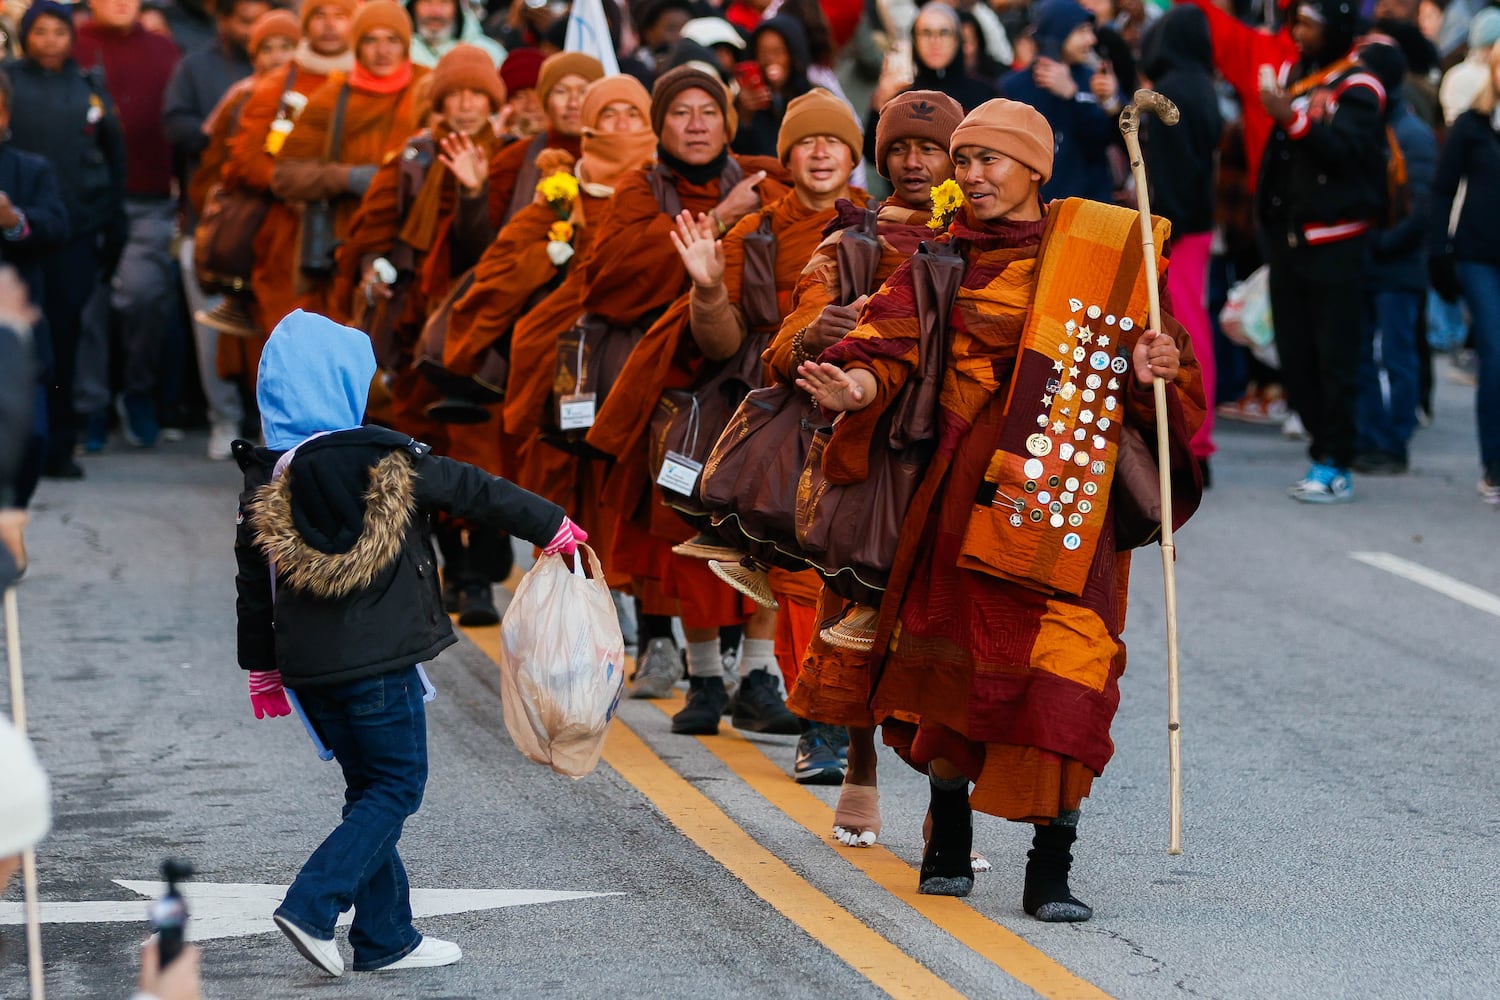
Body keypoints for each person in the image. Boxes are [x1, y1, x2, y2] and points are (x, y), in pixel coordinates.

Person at [795, 98, 1203, 916]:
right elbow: (886, 345)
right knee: (957, 677)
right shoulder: (939, 259)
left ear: (1036, 170)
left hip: (1068, 506)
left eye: (989, 160)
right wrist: (856, 387)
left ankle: (1052, 867)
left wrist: (1156, 367)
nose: (971, 175)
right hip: (958, 505)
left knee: (1068, 671)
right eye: (964, 161)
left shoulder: (1103, 252)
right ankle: (947, 830)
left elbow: (1161, 372)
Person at [234, 309, 587, 976]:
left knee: (368, 789)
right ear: (343, 386)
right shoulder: (385, 458)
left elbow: (256, 583)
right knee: (397, 785)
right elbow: (474, 490)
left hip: (311, 674)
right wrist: (551, 525)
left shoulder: (266, 478)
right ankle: (312, 905)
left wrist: (261, 667)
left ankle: (386, 936)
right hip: (378, 665)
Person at [573, 65, 788, 716]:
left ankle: (758, 675)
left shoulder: (763, 181)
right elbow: (612, 278)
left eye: (709, 112)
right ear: (660, 125)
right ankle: (703, 678)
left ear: (728, 122)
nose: (696, 126)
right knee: (683, 526)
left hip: (752, 374)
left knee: (767, 522)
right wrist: (719, 219)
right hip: (674, 383)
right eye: (680, 113)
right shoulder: (640, 189)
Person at [774, 87, 963, 809]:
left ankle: (946, 805)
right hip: (869, 451)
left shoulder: (986, 239)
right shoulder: (851, 240)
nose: (914, 163)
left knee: (947, 621)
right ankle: (857, 764)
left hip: (955, 447)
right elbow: (783, 348)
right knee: (852, 605)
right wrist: (816, 335)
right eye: (900, 150)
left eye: (931, 149)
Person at [669, 88, 869, 737]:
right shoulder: (755, 229)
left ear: (854, 156)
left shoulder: (878, 227)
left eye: (833, 141)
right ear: (787, 157)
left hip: (841, 400)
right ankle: (709, 676)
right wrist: (707, 288)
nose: (820, 152)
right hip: (753, 396)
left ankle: (768, 680)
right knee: (723, 533)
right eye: (806, 142)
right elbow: (720, 341)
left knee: (803, 552)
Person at [337, 43, 511, 624]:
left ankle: (478, 574)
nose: (466, 105)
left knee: (480, 449)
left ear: (492, 101)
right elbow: (371, 233)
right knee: (419, 446)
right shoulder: (411, 159)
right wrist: (371, 270)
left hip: (482, 330)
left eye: (477, 94)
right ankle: (449, 568)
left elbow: (502, 241)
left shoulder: (511, 158)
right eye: (455, 94)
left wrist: (473, 192)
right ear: (438, 101)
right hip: (416, 328)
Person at [1257, 0, 1389, 503]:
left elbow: (1347, 152)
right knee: (1295, 359)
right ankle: (1322, 450)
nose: (1298, 32)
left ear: (1335, 27)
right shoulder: (1296, 75)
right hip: (1289, 242)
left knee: (1336, 359)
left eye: (1309, 24)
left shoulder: (1360, 86)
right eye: (1296, 22)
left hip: (1337, 244)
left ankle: (1335, 461)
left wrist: (1291, 120)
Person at [4, 0, 127, 477]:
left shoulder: (88, 86)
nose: (50, 40)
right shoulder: (8, 82)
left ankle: (59, 443)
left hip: (72, 233)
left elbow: (112, 157)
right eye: (40, 31)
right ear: (25, 35)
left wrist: (112, 222)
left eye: (59, 31)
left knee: (64, 338)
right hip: (15, 233)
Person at [221, 0, 355, 386]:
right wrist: (295, 184)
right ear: (306, 24)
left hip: (352, 230)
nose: (329, 26)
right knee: (288, 344)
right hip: (286, 234)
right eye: (320, 16)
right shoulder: (275, 86)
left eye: (340, 16)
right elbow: (246, 161)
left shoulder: (374, 83)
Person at [165, 0, 276, 460]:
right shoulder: (197, 67)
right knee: (214, 328)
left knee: (275, 333)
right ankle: (223, 418)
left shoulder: (302, 86)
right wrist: (231, 129)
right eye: (248, 24)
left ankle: (276, 425)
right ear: (225, 22)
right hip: (216, 223)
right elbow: (176, 125)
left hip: (276, 231)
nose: (262, 42)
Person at [272, 0, 429, 320]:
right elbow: (285, 176)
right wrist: (347, 177)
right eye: (371, 40)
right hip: (344, 250)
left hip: (412, 242)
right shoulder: (331, 97)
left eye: (392, 39)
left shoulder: (427, 89)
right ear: (356, 45)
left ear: (406, 43)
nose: (382, 51)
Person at [72, 0, 181, 449]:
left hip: (148, 199)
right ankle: (91, 409)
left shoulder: (165, 50)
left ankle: (138, 393)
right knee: (88, 309)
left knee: (143, 298)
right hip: (86, 201)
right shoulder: (70, 44)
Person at [1139, 5, 1224, 474]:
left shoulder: (1170, 92)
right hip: (1199, 223)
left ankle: (1192, 439)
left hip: (1178, 228)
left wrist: (1161, 227)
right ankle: (1196, 438)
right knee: (1193, 327)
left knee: (1183, 333)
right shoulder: (1203, 86)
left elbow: (1170, 172)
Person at [1354, 40, 1436, 475]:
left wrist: (1377, 243)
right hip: (1370, 260)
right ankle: (1370, 437)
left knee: (1397, 355)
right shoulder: (1374, 125)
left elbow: (1420, 210)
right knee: (1364, 355)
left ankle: (1393, 442)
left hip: (1397, 265)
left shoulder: (1412, 134)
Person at [1429, 45, 1500, 502]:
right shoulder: (1473, 125)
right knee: (1496, 351)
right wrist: (1439, 251)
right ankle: (1494, 463)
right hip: (1478, 256)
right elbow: (1441, 189)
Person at [0, 69, 69, 511]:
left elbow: (56, 225)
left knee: (32, 437)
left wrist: (14, 221)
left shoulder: (30, 169)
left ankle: (11, 512)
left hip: (16, 330)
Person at [1000, 0, 1119, 203]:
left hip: (1091, 205)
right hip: (1035, 207)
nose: (1091, 39)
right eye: (1081, 31)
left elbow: (1104, 139)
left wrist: (1077, 97)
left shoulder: (1095, 79)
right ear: (1058, 33)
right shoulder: (1012, 87)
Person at [481, 51, 604, 230]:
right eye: (561, 91)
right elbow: (481, 238)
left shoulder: (619, 159)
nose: (573, 103)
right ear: (545, 101)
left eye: (584, 91)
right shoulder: (513, 159)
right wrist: (473, 193)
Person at [865, 2, 998, 168]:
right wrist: (879, 106)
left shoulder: (986, 94)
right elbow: (873, 154)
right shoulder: (900, 97)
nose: (935, 41)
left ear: (957, 39)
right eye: (926, 33)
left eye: (944, 33)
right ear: (915, 40)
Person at [732, 15, 815, 158]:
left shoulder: (813, 98)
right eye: (763, 52)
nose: (770, 59)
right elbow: (739, 152)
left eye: (778, 52)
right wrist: (743, 117)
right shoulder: (745, 101)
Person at [405, 0, 504, 69]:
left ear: (457, 8)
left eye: (444, 2)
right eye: (427, 1)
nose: (435, 12)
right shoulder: (402, 51)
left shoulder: (489, 52)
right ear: (413, 6)